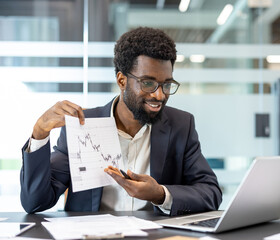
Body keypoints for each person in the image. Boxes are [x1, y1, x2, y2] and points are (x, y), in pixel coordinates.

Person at [20, 27, 222, 216]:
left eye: (166, 84)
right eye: (148, 83)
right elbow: (35, 202)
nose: (159, 95)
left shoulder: (181, 125)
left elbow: (211, 192)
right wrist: (39, 133)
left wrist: (160, 194)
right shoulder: (82, 126)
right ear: (121, 80)